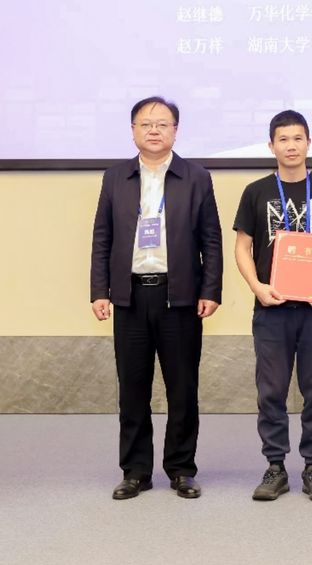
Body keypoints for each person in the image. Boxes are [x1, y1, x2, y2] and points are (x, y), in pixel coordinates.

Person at [90, 96, 223, 500]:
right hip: (130, 297)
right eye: (145, 123)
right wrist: (99, 291)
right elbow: (102, 236)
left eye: (162, 123)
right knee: (132, 389)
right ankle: (136, 471)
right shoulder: (116, 177)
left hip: (178, 297)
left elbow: (211, 239)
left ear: (175, 131)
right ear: (133, 130)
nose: (154, 130)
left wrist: (210, 290)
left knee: (183, 389)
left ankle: (181, 469)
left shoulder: (196, 177)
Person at [232, 110, 312, 502]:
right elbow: (242, 247)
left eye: (298, 138)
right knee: (271, 390)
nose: (291, 146)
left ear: (308, 143)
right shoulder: (255, 191)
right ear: (271, 145)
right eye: (283, 139)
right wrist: (256, 286)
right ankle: (275, 466)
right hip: (271, 308)